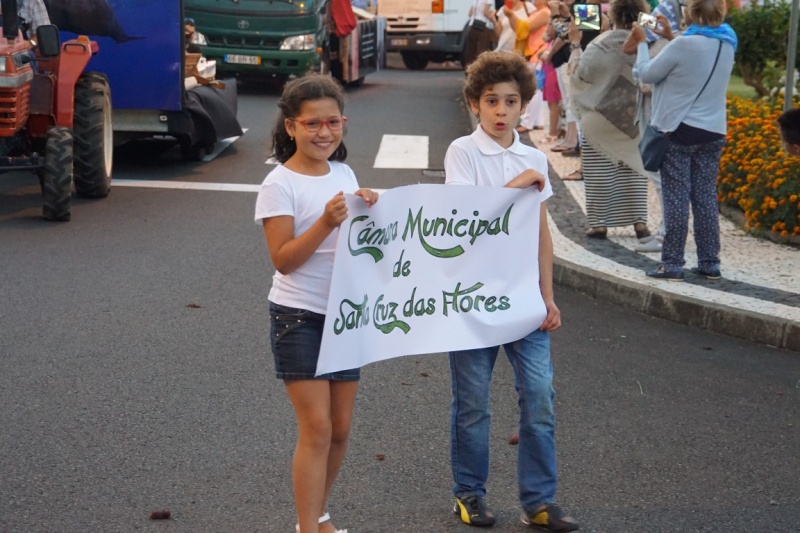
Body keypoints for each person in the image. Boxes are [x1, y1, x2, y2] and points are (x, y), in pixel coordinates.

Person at [443, 50, 579, 532]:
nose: (501, 111)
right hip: (473, 299)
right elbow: (467, 219)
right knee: (473, 404)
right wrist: (519, 182)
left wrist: (548, 295)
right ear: (474, 104)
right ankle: (469, 494)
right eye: (491, 100)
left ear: (524, 105)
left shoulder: (533, 156)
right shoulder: (463, 152)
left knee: (539, 398)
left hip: (523, 299)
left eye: (511, 101)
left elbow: (540, 231)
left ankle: (539, 500)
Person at [254, 73, 378, 533]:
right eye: (312, 124)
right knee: (318, 428)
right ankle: (307, 528)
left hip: (345, 316)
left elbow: (357, 242)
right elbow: (284, 260)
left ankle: (319, 515)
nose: (324, 132)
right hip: (298, 316)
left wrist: (368, 206)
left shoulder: (344, 174)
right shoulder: (279, 183)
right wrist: (326, 222)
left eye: (333, 122)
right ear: (291, 127)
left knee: (341, 428)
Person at [627, 0, 736, 280]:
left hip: (680, 130)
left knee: (676, 198)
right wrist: (669, 36)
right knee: (705, 198)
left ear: (690, 11)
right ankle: (710, 263)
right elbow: (697, 59)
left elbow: (646, 74)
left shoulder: (684, 45)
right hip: (714, 131)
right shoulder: (727, 42)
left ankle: (672, 263)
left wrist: (642, 43)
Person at [569, 0, 653, 240]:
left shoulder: (599, 43)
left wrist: (575, 44)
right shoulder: (647, 43)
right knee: (634, 171)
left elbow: (580, 73)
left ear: (613, 14)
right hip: (633, 119)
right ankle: (639, 222)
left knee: (598, 172)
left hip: (599, 117)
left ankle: (599, 224)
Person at [464, 0, 497, 67]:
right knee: (482, 51)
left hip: (473, 25)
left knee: (471, 51)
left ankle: (470, 69)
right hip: (483, 26)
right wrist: (493, 18)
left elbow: (470, 13)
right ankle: (480, 69)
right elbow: (485, 12)